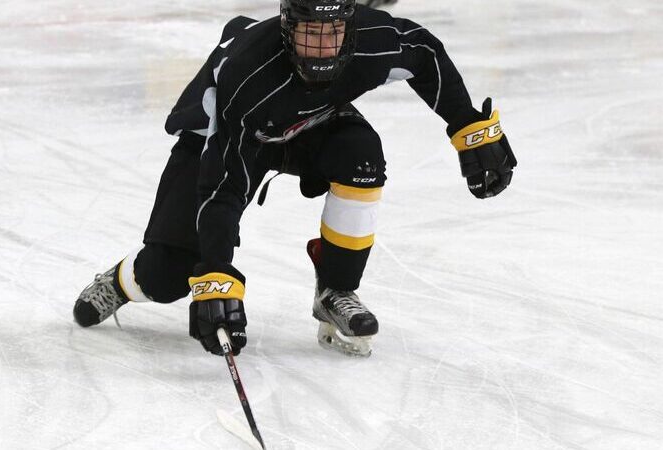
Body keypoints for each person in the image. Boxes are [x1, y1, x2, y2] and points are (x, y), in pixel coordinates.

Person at [73, 0, 516, 357]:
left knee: (361, 156)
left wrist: (467, 127)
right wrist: (216, 276)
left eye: (333, 32)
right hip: (226, 137)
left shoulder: (368, 40)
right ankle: (122, 281)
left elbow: (423, 50)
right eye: (310, 33)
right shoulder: (247, 79)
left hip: (309, 122)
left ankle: (336, 289)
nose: (324, 47)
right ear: (287, 28)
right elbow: (221, 190)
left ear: (349, 27)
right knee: (167, 277)